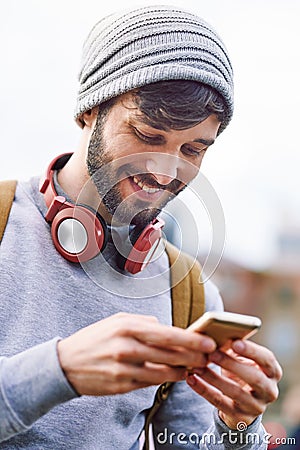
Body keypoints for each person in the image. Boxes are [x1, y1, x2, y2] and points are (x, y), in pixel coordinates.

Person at [0, 5, 282, 449]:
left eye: (192, 149)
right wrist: (60, 370)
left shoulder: (189, 291)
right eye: (149, 136)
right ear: (90, 111)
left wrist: (238, 428)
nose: (165, 172)